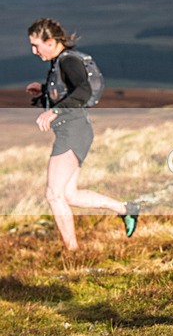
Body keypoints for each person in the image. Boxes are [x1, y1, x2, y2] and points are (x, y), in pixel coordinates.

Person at [26, 18, 139, 252]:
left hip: (73, 131)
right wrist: (43, 93)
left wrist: (54, 111)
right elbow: (69, 93)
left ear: (50, 41)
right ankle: (125, 209)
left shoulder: (67, 62)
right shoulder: (61, 62)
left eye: (36, 45)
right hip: (75, 130)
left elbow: (84, 90)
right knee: (70, 194)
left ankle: (72, 251)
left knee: (53, 194)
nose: (33, 51)